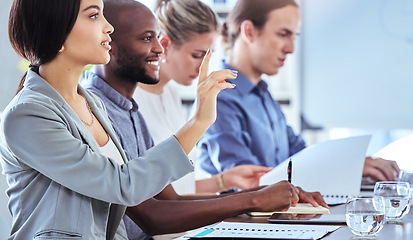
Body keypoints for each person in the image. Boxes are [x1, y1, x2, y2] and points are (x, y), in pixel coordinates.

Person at [83, 0, 328, 239]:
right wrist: (253, 198)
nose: (159, 49)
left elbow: (173, 197)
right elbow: (152, 215)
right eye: (148, 39)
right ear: (107, 44)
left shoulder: (133, 107)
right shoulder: (95, 109)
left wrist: (262, 193)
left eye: (157, 38)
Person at [0, 0, 229, 239]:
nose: (109, 27)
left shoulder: (92, 103)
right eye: (93, 16)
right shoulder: (27, 114)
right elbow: (122, 185)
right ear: (57, 29)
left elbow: (113, 214)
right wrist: (200, 121)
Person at [198, 0, 400, 182]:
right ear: (249, 32)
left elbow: (300, 155)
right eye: (283, 34)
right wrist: (346, 167)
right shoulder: (220, 97)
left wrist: (352, 163)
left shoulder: (262, 94)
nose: (291, 48)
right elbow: (250, 181)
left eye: (294, 36)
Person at [133, 0, 272, 195]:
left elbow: (179, 190)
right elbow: (149, 198)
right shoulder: (132, 100)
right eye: (197, 55)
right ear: (164, 44)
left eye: (208, 57)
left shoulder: (170, 93)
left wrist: (224, 181)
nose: (202, 69)